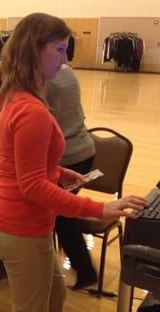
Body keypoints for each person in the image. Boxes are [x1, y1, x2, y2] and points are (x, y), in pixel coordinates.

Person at [0, 12, 148, 312]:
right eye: (59, 49)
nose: (65, 57)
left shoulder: (10, 95)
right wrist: (101, 207)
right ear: (35, 49)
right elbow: (32, 186)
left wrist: (57, 171)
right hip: (20, 225)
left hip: (14, 220)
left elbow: (19, 160)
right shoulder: (31, 110)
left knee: (55, 296)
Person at [46, 63, 98, 290]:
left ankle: (84, 270)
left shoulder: (45, 78)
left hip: (69, 155)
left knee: (60, 216)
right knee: (61, 214)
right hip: (84, 149)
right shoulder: (67, 70)